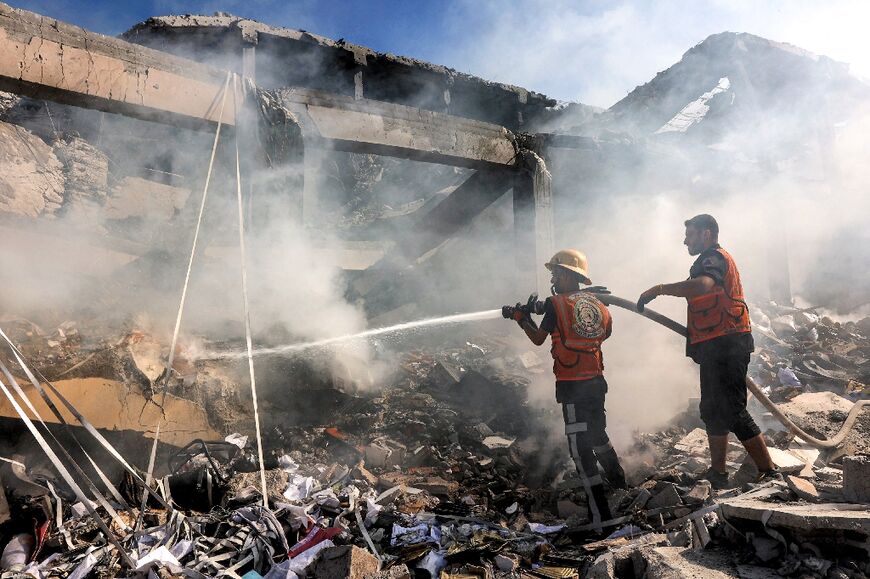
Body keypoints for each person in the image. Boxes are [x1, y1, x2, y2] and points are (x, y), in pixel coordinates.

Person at [637, 214, 779, 488]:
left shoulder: (713, 258)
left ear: (706, 233)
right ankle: (718, 473)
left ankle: (769, 470)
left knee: (733, 410)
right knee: (712, 410)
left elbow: (703, 285)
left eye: (689, 234)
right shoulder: (704, 261)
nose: (684, 240)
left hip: (729, 343)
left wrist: (660, 289)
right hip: (716, 346)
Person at [509, 249, 626, 527]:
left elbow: (538, 338)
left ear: (565, 275)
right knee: (598, 435)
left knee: (580, 449)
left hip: (572, 386)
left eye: (555, 274)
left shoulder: (557, 305)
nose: (552, 279)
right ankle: (620, 482)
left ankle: (600, 517)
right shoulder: (598, 304)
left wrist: (520, 318)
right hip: (596, 382)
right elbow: (606, 333)